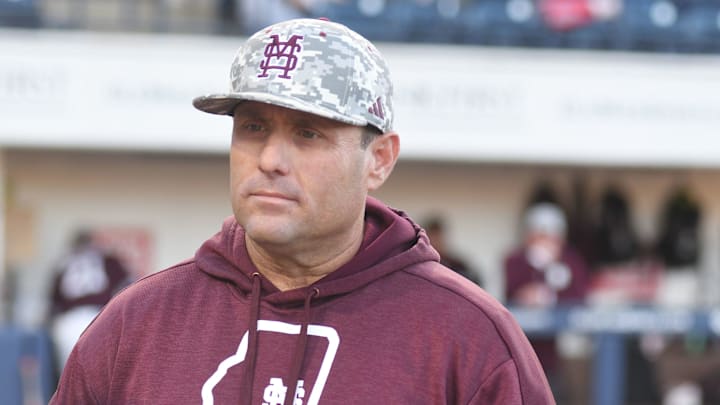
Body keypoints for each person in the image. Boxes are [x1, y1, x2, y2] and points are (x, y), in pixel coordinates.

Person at [50, 18, 553, 404]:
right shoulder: (137, 323)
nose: (270, 160)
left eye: (308, 133)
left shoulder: (468, 337)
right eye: (253, 128)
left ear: (378, 159)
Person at [503, 202, 591, 402]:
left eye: (550, 236)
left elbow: (580, 295)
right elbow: (512, 292)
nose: (543, 241)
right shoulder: (515, 260)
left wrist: (549, 292)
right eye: (538, 234)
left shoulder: (570, 260)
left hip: (560, 353)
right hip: (520, 348)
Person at [47, 230, 131, 374]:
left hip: (70, 321)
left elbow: (53, 303)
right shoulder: (107, 259)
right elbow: (128, 286)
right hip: (99, 317)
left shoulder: (63, 263)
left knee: (69, 375)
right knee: (102, 371)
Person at [424, 216, 483, 286]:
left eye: (438, 237)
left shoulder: (459, 265)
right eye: (432, 237)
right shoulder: (423, 267)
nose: (436, 242)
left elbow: (475, 282)